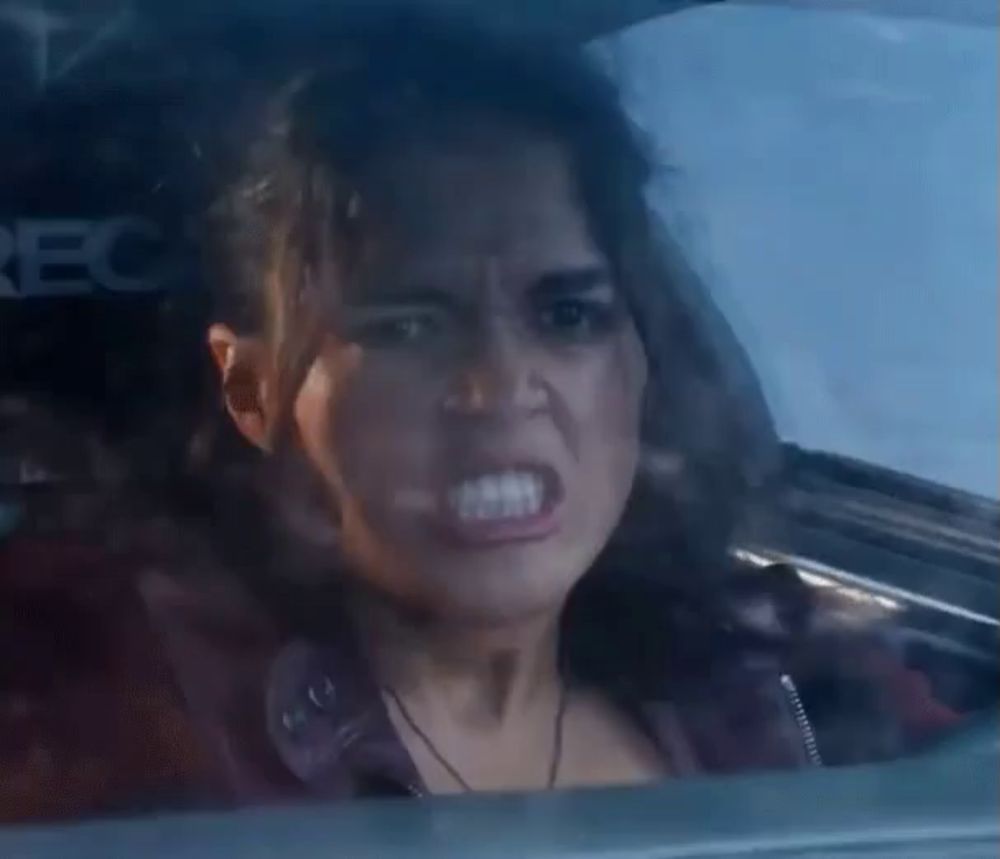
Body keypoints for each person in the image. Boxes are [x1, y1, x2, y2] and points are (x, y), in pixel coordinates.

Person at [0, 11, 958, 817]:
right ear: (253, 390)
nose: (499, 385)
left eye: (568, 315)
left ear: (639, 366)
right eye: (409, 325)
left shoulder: (793, 687)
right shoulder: (112, 721)